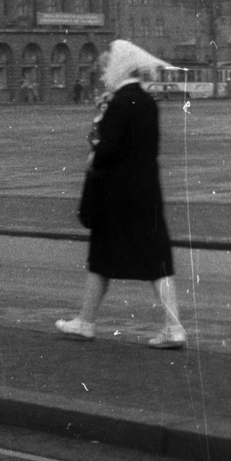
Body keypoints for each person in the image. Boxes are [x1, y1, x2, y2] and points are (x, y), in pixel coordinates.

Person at [57, 39, 187, 348]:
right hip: (147, 193)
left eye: (106, 70)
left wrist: (95, 152)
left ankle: (85, 322)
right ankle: (173, 326)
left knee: (101, 259)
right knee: (157, 262)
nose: (103, 77)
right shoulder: (148, 102)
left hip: (116, 196)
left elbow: (107, 149)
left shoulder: (118, 103)